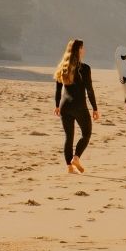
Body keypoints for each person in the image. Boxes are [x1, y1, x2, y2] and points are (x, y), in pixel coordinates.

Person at [53, 39, 100, 174]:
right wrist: (95, 108)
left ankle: (69, 167)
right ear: (78, 50)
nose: (84, 50)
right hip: (79, 106)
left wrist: (57, 105)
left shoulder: (63, 67)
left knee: (69, 137)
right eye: (82, 47)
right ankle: (76, 157)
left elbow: (58, 89)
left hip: (65, 106)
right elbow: (89, 90)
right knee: (86, 133)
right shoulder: (84, 68)